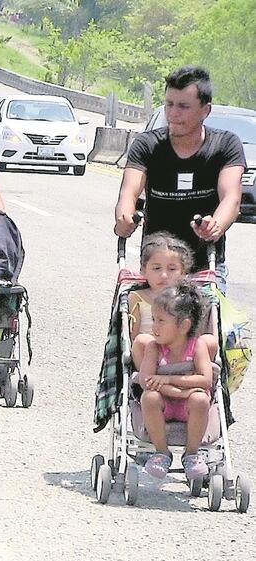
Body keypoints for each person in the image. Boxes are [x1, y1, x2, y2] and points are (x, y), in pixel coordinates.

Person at [114, 65, 244, 286]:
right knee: (142, 318)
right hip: (158, 267)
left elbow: (232, 198)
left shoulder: (225, 145)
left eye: (183, 106)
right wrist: (124, 217)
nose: (173, 113)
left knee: (211, 317)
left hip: (206, 266)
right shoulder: (147, 144)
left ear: (206, 110)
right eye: (169, 104)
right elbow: (129, 191)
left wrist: (215, 225)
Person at [138, 282, 214, 483]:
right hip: (164, 405)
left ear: (183, 325)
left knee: (200, 400)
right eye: (153, 319)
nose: (154, 327)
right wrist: (180, 392)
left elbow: (206, 379)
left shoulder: (196, 346)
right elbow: (146, 381)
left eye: (161, 321)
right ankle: (162, 452)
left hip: (189, 406)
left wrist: (168, 379)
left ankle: (191, 453)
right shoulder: (154, 348)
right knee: (150, 397)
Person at [127, 232, 218, 369]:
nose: (164, 275)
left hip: (185, 353)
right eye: (157, 268)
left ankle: (196, 374)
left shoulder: (188, 297)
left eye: (172, 269)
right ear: (144, 270)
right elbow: (132, 338)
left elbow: (197, 331)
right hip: (154, 355)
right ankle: (151, 378)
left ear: (183, 273)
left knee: (209, 340)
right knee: (141, 341)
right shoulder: (137, 297)